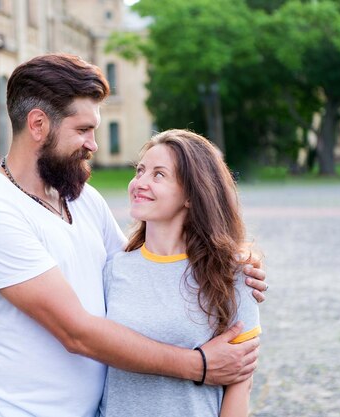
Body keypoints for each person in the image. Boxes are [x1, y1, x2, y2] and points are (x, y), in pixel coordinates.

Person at [0, 53, 268, 417]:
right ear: (38, 124)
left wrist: (233, 264)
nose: (93, 144)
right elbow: (77, 333)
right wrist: (199, 366)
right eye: (83, 130)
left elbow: (145, 273)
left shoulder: (82, 199)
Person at [99, 129, 261, 417]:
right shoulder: (113, 269)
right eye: (140, 171)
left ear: (190, 195)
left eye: (158, 175)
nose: (140, 183)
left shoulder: (233, 272)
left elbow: (241, 382)